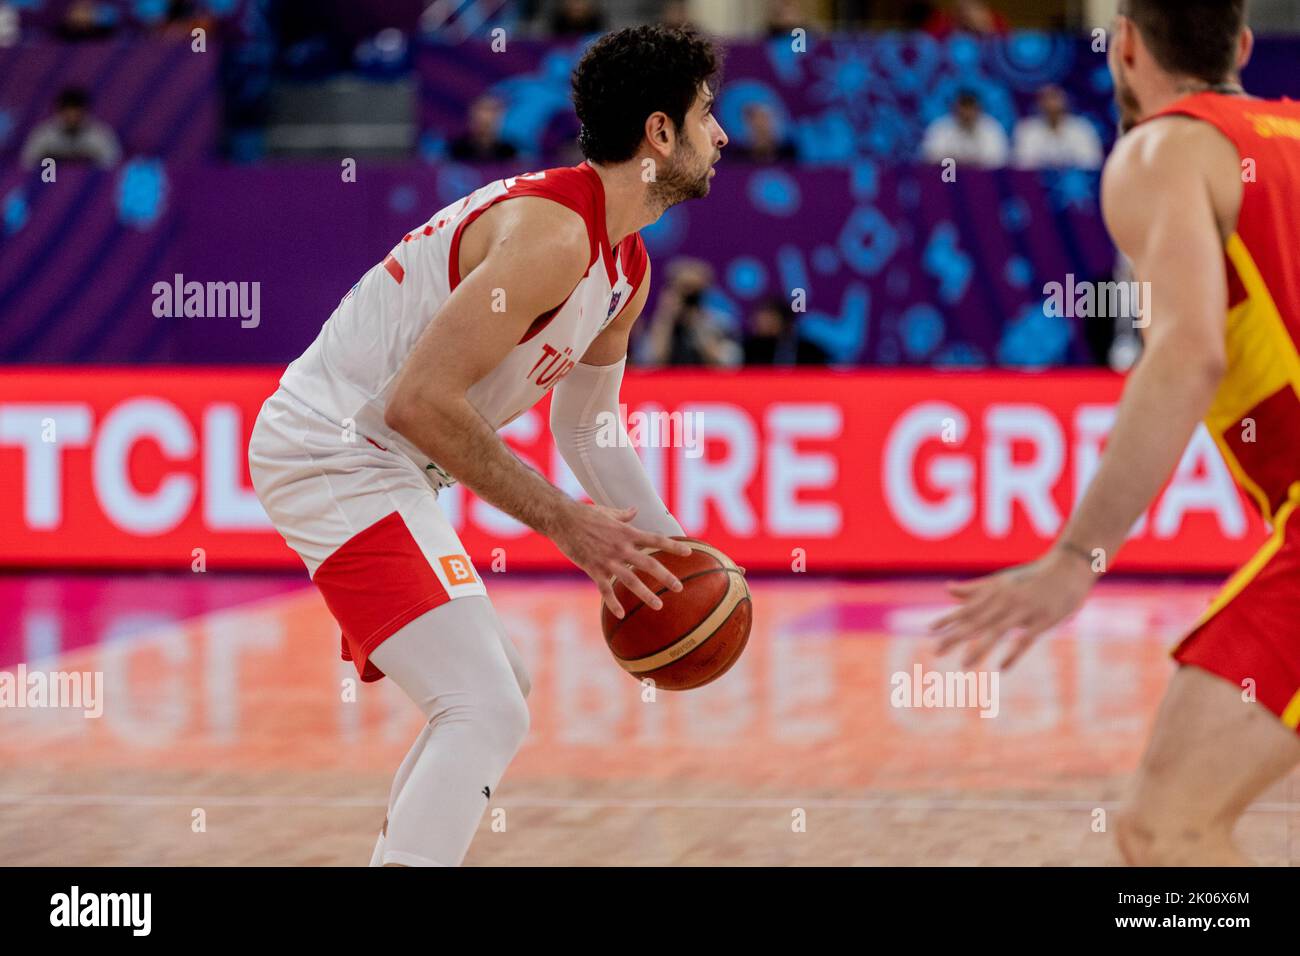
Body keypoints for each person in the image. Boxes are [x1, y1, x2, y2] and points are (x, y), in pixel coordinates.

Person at [248, 25, 727, 868]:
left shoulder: (626, 267)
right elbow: (420, 403)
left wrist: (673, 546)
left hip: (386, 461)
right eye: (706, 113)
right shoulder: (551, 235)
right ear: (661, 133)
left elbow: (587, 427)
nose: (720, 134)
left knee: (498, 690)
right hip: (335, 449)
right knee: (485, 707)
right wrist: (573, 529)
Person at [932, 0, 1300, 866]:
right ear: (1242, 46)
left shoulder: (1163, 149)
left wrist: (1077, 555)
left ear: (1125, 46)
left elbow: (1187, 352)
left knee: (1164, 828)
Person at [638, 258, 742, 367]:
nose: (688, 298)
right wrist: (666, 317)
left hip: (708, 381)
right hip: (669, 381)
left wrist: (699, 324)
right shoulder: (659, 324)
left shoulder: (720, 322)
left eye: (694, 292)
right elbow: (650, 360)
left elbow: (730, 362)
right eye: (683, 291)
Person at [20, 87, 121, 170]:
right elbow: (27, 163)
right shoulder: (44, 134)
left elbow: (113, 164)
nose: (72, 118)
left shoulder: (100, 134)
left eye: (76, 114)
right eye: (68, 113)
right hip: (48, 185)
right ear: (59, 111)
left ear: (85, 111)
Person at [1012, 85, 1104, 169]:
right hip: (1036, 184)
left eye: (1055, 97)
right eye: (1046, 99)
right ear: (1038, 103)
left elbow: (1092, 162)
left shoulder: (1082, 128)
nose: (1051, 103)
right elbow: (1021, 164)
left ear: (1066, 101)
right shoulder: (1027, 129)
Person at [920, 90, 1009, 168]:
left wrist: (969, 161)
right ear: (954, 109)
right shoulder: (940, 128)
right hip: (948, 177)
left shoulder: (992, 128)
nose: (967, 113)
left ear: (979, 109)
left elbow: (998, 159)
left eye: (970, 108)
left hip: (983, 180)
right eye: (963, 108)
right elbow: (930, 156)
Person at [743, 297, 828, 365]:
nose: (763, 323)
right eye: (761, 319)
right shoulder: (747, 349)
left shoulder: (807, 351)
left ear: (785, 321)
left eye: (770, 319)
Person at [448, 95, 518, 162]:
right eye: (481, 111)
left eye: (492, 111)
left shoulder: (510, 151)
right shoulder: (455, 149)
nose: (485, 117)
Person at [730, 103, 797, 163]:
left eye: (765, 119)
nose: (761, 125)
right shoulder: (737, 156)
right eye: (756, 120)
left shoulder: (789, 153)